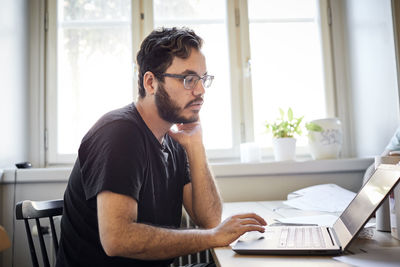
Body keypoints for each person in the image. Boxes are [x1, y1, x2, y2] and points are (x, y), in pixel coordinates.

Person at [55, 27, 266, 267]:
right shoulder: (119, 133)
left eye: (203, 78)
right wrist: (212, 238)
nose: (200, 90)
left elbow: (209, 219)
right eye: (188, 79)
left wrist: (196, 146)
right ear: (150, 82)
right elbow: (117, 239)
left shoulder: (173, 138)